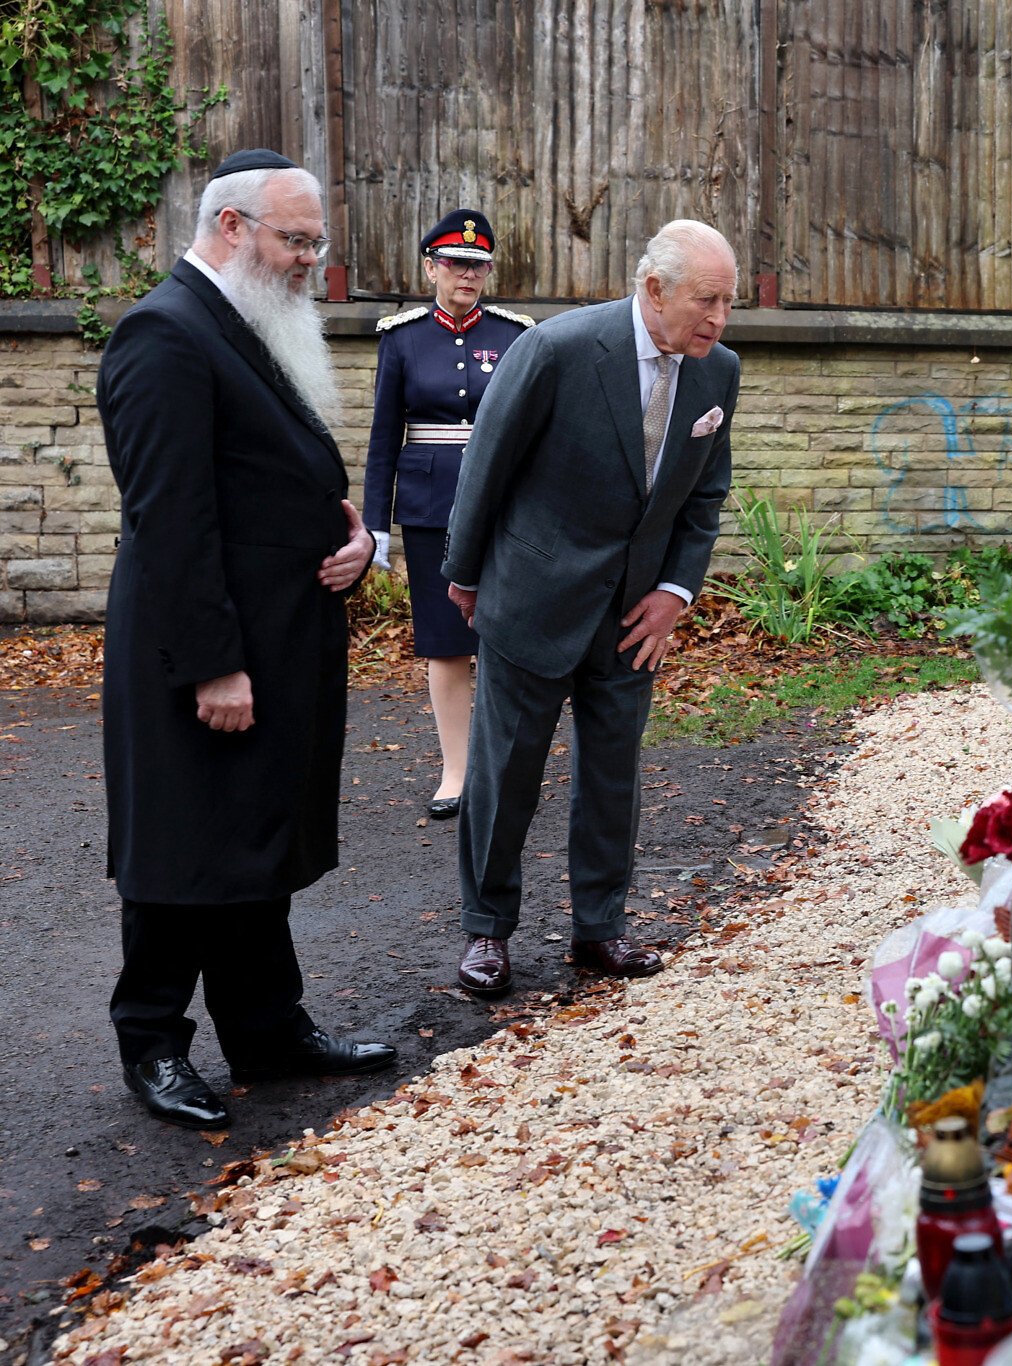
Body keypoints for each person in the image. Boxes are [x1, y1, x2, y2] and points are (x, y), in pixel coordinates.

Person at [96, 148, 397, 1130]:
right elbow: (170, 518)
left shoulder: (242, 319)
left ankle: (267, 1030)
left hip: (275, 637)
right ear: (232, 227)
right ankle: (152, 1042)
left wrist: (344, 528)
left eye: (316, 240)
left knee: (252, 843)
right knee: (185, 849)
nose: (311, 258)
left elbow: (267, 471)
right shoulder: (163, 334)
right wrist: (214, 662)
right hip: (202, 654)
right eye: (296, 239)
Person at [440, 218, 739, 995]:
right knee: (506, 774)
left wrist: (675, 593)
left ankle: (599, 930)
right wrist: (465, 575)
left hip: (633, 617)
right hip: (532, 598)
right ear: (653, 289)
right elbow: (487, 465)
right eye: (706, 301)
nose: (718, 319)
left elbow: (704, 498)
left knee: (613, 777)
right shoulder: (558, 349)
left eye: (729, 303)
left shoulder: (718, 374)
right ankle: (486, 932)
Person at [362, 209, 534, 818]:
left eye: (479, 264)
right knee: (445, 642)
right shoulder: (402, 338)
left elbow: (532, 434)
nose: (468, 274)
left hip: (503, 507)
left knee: (506, 637)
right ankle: (457, 772)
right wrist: (375, 525)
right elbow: (384, 438)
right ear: (431, 267)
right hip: (431, 507)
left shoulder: (516, 336)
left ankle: (504, 767)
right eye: (457, 264)